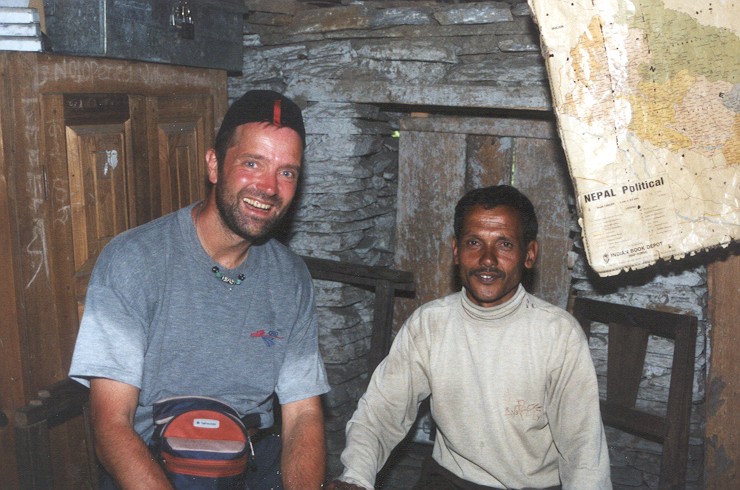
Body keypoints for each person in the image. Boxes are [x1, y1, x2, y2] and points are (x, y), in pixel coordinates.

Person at [69, 90, 331, 490]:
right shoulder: (133, 260)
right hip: (153, 466)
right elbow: (111, 425)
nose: (268, 187)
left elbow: (304, 415)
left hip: (251, 465)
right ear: (214, 164)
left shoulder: (290, 277)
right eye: (252, 163)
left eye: (287, 172)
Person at [327, 185, 611, 490]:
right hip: (448, 481)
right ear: (456, 251)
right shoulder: (430, 324)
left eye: (504, 244)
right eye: (474, 242)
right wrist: (355, 477)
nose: (487, 259)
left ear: (529, 254)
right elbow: (380, 413)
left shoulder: (558, 334)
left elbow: (584, 450)